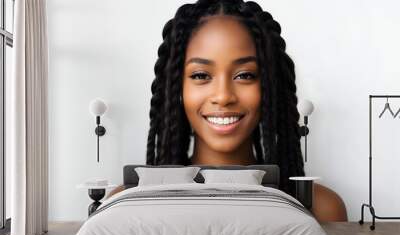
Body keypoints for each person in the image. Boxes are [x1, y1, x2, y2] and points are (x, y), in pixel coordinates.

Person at [108, 0, 347, 222]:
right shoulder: (121, 205)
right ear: (177, 89)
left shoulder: (322, 208)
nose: (223, 96)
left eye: (245, 75)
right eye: (200, 75)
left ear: (270, 87)